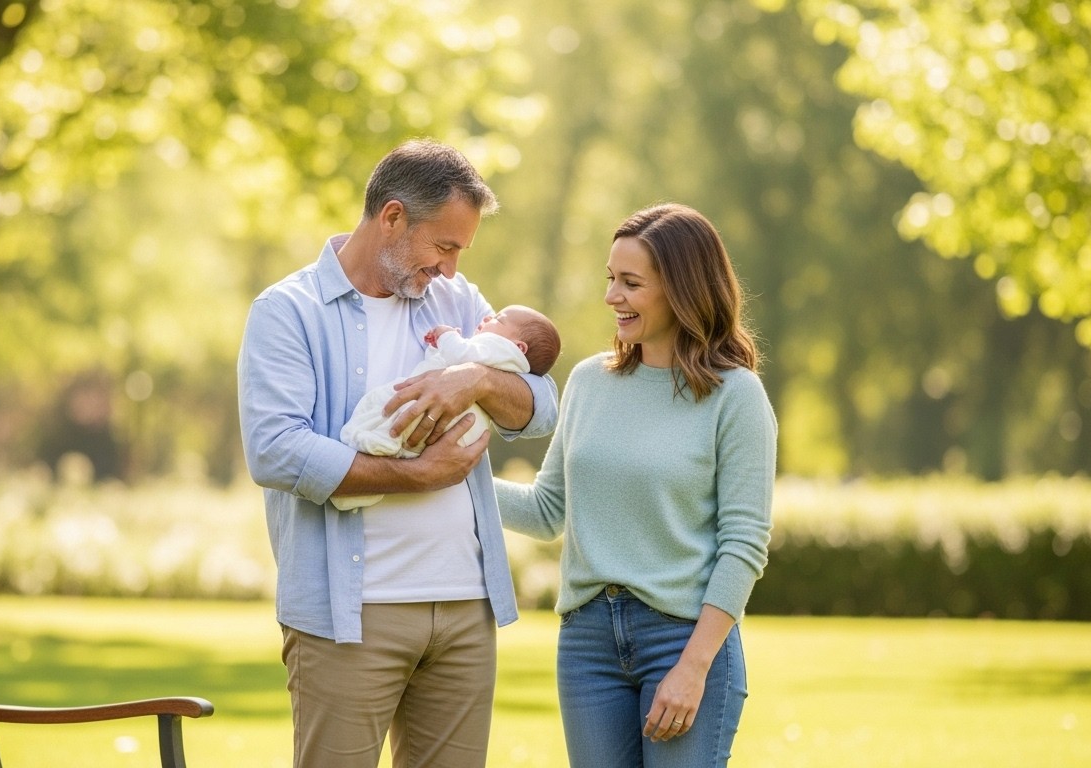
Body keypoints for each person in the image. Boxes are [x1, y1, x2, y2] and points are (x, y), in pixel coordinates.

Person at [237, 139, 559, 768]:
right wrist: (419, 475)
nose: (449, 268)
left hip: (466, 606)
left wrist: (475, 381)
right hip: (350, 613)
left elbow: (538, 407)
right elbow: (275, 451)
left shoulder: (458, 302)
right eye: (443, 247)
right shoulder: (288, 312)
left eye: (460, 252)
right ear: (391, 217)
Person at [495, 203, 777, 767]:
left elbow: (743, 544)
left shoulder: (735, 396)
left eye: (630, 283)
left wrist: (693, 667)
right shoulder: (588, 382)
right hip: (588, 643)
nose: (611, 297)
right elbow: (551, 510)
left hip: (682, 639)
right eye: (610, 279)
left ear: (682, 290)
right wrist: (457, 475)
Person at [331, 304, 561, 510]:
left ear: (519, 347)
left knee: (397, 411)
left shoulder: (497, 348)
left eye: (497, 319)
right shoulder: (503, 357)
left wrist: (446, 335)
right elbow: (444, 361)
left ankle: (377, 444)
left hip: (446, 415)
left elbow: (460, 355)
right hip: (456, 428)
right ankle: (373, 459)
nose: (488, 318)